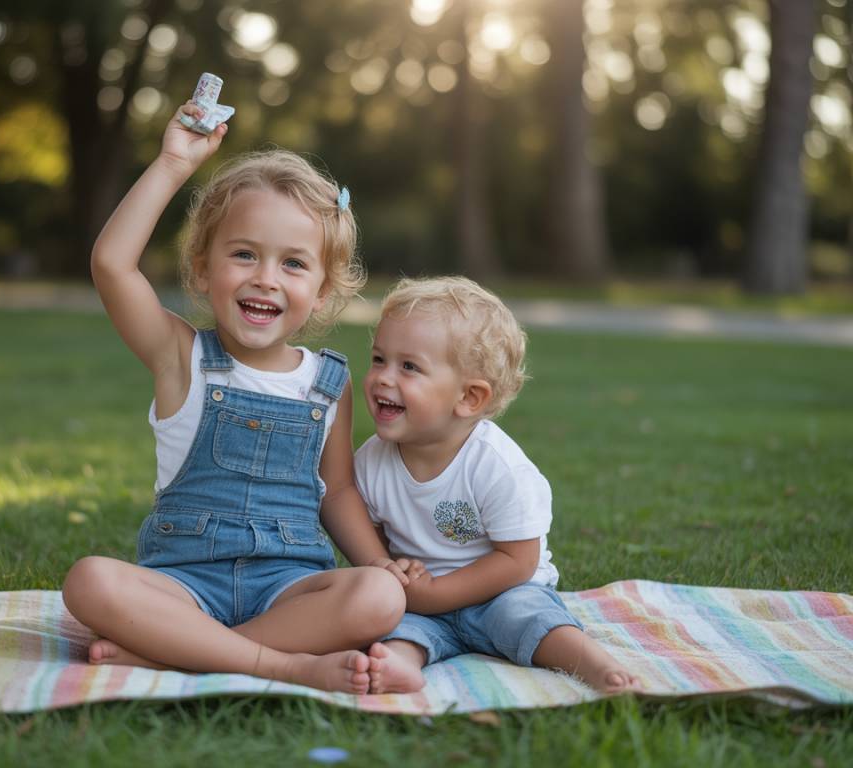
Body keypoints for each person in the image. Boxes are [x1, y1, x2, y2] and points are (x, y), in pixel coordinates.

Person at [62, 101, 410, 694]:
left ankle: (177, 654)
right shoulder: (181, 357)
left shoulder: (329, 381)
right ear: (202, 269)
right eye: (243, 253)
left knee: (379, 597)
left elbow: (339, 490)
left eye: (293, 263)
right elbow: (112, 264)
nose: (265, 278)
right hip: (183, 586)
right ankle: (277, 665)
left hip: (287, 588)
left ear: (323, 293)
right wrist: (174, 164)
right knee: (89, 582)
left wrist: (377, 563)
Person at [355, 276, 641, 694]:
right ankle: (398, 665)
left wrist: (437, 593)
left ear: (469, 398)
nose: (382, 377)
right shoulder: (371, 461)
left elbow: (518, 560)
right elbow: (373, 534)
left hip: (500, 591)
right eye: (379, 359)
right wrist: (398, 574)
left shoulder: (495, 466)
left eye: (409, 367)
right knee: (395, 627)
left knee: (528, 617)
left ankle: (595, 665)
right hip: (420, 600)